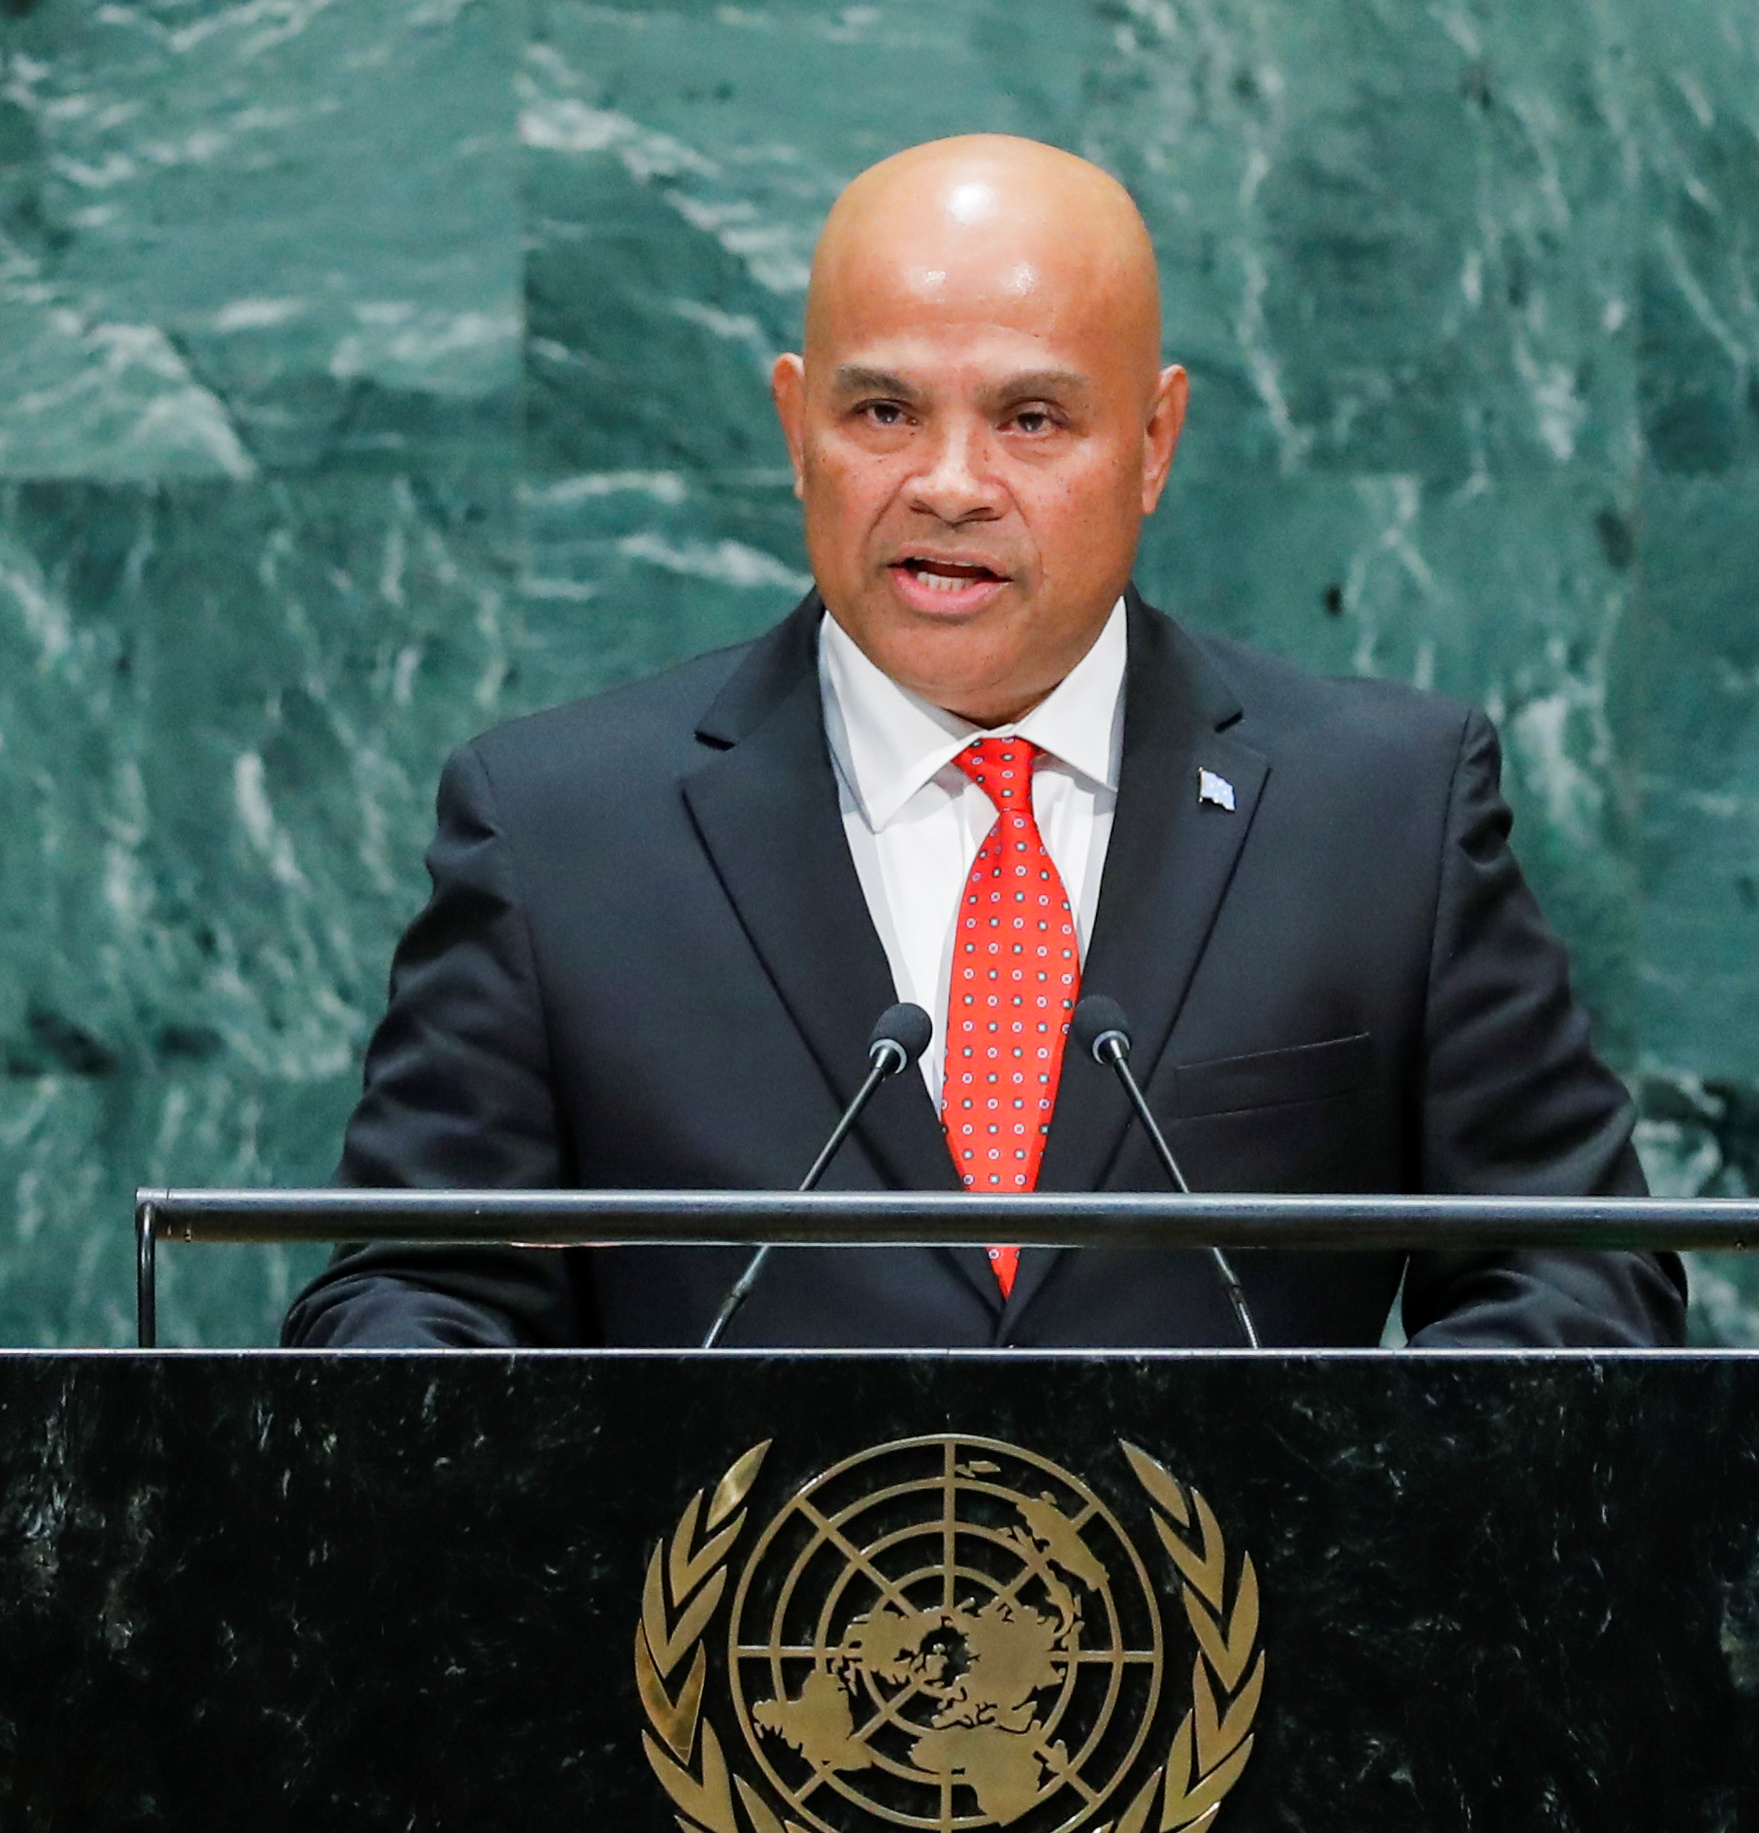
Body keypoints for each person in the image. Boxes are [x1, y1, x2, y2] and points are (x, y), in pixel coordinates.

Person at [285, 135, 1683, 1349]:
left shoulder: (1380, 812)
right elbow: (413, 1291)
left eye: (1031, 419)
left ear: (1154, 441)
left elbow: (1578, 1272)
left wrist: (1365, 1518)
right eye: (884, 412)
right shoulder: (558, 831)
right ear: (795, 426)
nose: (950, 485)